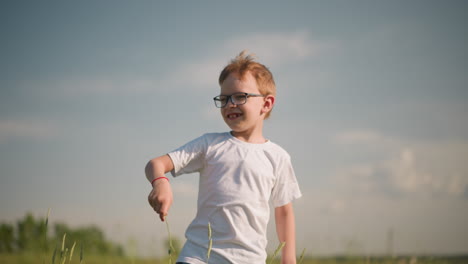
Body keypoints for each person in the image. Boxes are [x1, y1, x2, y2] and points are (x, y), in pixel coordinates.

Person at [146, 51, 302, 264]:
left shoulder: (278, 157)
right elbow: (156, 164)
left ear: (266, 104)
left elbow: (284, 212)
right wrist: (160, 183)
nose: (230, 104)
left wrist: (289, 259)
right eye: (224, 98)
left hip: (250, 259)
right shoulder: (210, 144)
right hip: (198, 256)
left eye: (240, 96)